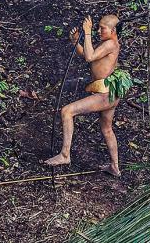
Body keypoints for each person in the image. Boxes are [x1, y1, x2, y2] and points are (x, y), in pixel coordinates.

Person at [44, 14, 122, 177]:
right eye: (98, 27)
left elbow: (89, 57)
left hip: (105, 94)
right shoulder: (106, 43)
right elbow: (88, 54)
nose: (98, 30)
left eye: (102, 28)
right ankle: (115, 166)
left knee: (67, 111)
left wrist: (87, 32)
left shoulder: (111, 44)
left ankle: (65, 155)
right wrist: (75, 42)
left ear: (113, 30)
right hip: (108, 93)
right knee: (107, 128)